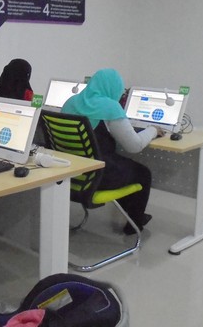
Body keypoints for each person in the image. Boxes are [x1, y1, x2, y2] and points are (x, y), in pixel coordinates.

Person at [61, 68, 163, 234]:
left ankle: (131, 215)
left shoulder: (71, 102)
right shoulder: (110, 107)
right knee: (142, 173)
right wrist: (152, 130)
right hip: (97, 175)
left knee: (124, 166)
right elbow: (134, 146)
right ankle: (134, 223)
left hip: (71, 172)